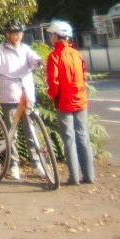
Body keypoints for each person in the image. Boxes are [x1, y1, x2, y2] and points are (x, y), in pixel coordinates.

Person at [0, 19, 46, 180]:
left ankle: (36, 164)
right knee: (11, 133)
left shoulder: (26, 49)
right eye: (14, 34)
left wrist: (39, 62)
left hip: (26, 95)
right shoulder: (0, 50)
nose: (18, 36)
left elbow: (34, 58)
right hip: (9, 95)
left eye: (20, 33)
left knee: (30, 131)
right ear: (7, 35)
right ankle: (13, 165)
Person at [45, 19, 96, 186]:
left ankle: (74, 177)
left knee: (69, 138)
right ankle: (89, 175)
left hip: (64, 102)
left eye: (52, 36)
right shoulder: (77, 54)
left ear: (56, 36)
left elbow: (54, 83)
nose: (51, 39)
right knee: (83, 136)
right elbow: (83, 75)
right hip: (80, 100)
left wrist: (51, 95)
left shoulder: (54, 56)